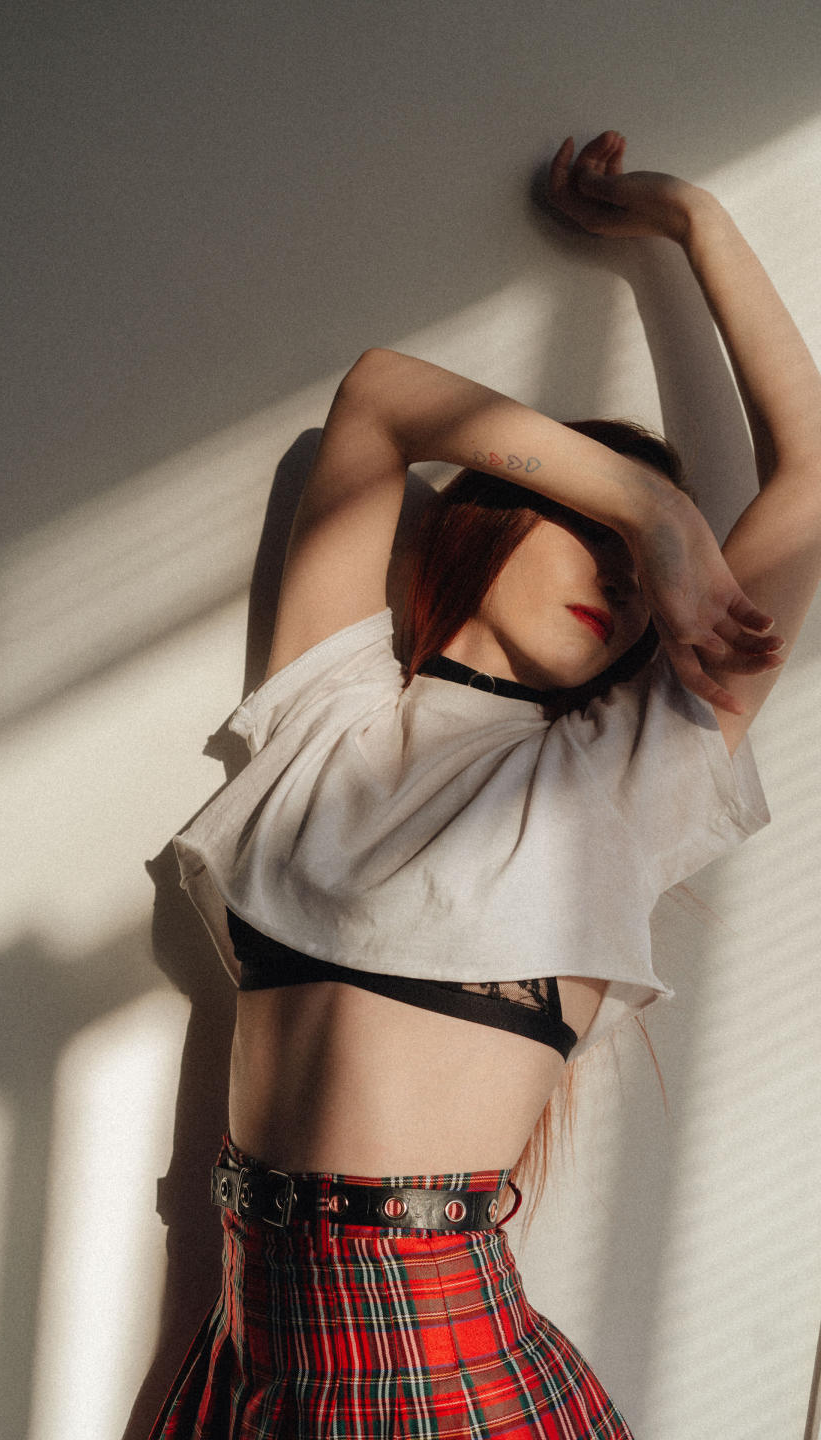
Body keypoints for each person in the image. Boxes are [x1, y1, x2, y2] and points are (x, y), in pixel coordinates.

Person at [149, 131, 821, 1438]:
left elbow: (811, 476)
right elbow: (381, 398)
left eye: (648, 579)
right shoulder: (332, 712)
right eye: (596, 530)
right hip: (254, 1364)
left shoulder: (619, 771)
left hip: (444, 1369)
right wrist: (661, 518)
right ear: (493, 513)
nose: (624, 578)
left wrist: (693, 221)